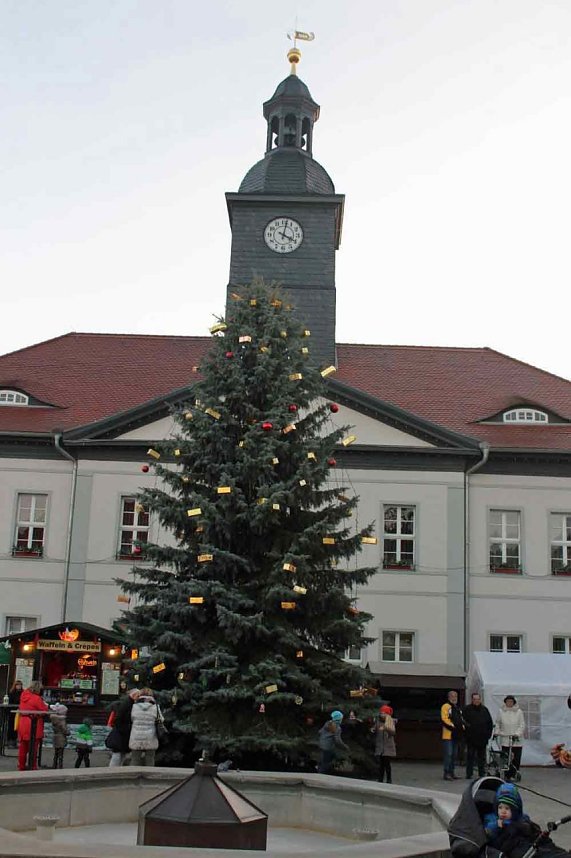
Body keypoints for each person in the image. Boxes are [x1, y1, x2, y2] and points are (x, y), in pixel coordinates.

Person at [17, 680, 49, 771]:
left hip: (23, 721)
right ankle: (33, 766)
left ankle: (21, 766)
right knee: (33, 747)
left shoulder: (23, 695)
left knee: (23, 746)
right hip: (33, 722)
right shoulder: (36, 698)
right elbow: (44, 710)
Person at [463, 692, 493, 779]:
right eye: (475, 699)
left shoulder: (485, 710)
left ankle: (481, 773)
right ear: (472, 700)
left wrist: (488, 735)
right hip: (471, 738)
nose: (476, 701)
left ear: (480, 700)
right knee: (470, 756)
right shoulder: (467, 709)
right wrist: (466, 735)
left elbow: (489, 723)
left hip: (482, 738)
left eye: (478, 699)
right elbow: (463, 723)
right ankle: (469, 773)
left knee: (481, 757)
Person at [494, 695, 525, 780]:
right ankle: (507, 774)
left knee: (516, 758)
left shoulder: (519, 712)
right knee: (505, 757)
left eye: (511, 701)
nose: (509, 703)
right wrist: (497, 732)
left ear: (513, 702)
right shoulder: (501, 711)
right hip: (505, 738)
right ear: (505, 702)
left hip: (516, 739)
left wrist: (517, 734)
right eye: (508, 701)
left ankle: (514, 773)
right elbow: (497, 723)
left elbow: (522, 725)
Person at [107, 688, 139, 766]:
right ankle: (113, 771)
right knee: (118, 754)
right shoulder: (127, 704)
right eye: (138, 696)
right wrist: (124, 729)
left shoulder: (127, 702)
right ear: (134, 695)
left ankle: (116, 770)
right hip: (121, 733)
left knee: (121, 754)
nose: (138, 698)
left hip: (122, 732)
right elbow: (119, 718)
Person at [129, 687, 158, 766]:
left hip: (136, 735)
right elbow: (161, 719)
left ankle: (133, 776)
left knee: (135, 759)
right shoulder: (155, 707)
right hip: (150, 736)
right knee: (150, 758)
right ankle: (150, 776)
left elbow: (132, 718)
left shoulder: (134, 706)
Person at [441, 690, 463, 780]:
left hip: (456, 734)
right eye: (452, 696)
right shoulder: (446, 706)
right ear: (449, 697)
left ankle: (452, 772)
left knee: (454, 754)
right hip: (448, 735)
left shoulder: (457, 708)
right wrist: (453, 726)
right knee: (448, 754)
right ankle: (446, 773)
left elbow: (461, 719)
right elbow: (444, 719)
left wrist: (463, 726)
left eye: (455, 696)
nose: (454, 698)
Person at [317, 710, 348, 774]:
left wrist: (324, 737)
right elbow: (337, 740)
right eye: (341, 719)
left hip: (321, 744)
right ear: (339, 719)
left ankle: (320, 770)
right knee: (326, 762)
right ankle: (321, 775)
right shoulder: (337, 728)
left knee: (323, 760)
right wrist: (345, 746)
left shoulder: (327, 723)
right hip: (328, 747)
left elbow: (319, 732)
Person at [372, 704, 396, 783]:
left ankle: (389, 779)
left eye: (384, 713)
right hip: (380, 746)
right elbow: (374, 728)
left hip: (387, 747)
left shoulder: (390, 722)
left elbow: (393, 732)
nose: (382, 715)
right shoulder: (378, 721)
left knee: (387, 764)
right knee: (381, 764)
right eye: (381, 713)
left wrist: (386, 728)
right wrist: (373, 729)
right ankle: (380, 779)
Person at [49, 703, 70, 769]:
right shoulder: (62, 721)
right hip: (61, 738)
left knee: (56, 753)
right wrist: (68, 733)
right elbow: (65, 730)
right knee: (61, 754)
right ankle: (60, 766)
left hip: (55, 737)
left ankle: (54, 765)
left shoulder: (53, 719)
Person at [7, 679, 23, 747]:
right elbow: (10, 702)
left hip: (19, 712)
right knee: (11, 726)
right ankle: (10, 741)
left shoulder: (23, 693)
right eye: (18, 685)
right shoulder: (11, 693)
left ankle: (15, 741)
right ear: (15, 686)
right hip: (12, 712)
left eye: (20, 685)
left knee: (17, 727)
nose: (19, 686)